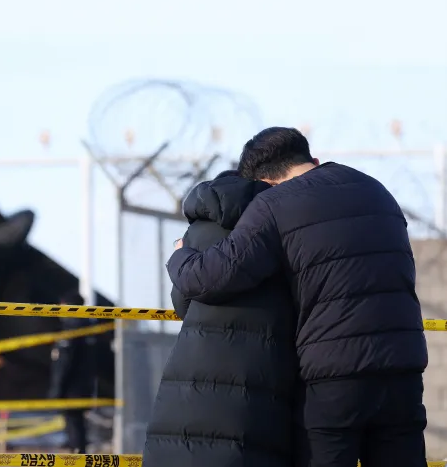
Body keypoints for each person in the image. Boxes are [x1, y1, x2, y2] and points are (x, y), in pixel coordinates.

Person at [167, 127, 428, 467]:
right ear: (313, 160)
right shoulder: (375, 189)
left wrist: (179, 256)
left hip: (335, 375)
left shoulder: (274, 205)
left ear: (265, 182)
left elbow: (212, 277)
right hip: (403, 367)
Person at [143, 170, 297, 467]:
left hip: (188, 380)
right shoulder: (280, 227)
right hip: (257, 380)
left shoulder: (198, 231)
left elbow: (182, 303)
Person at [49, 297, 95, 453]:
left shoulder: (71, 329)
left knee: (74, 424)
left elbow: (64, 363)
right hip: (85, 385)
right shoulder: (89, 327)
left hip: (72, 388)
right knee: (79, 425)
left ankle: (77, 457)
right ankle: (79, 454)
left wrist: (57, 389)